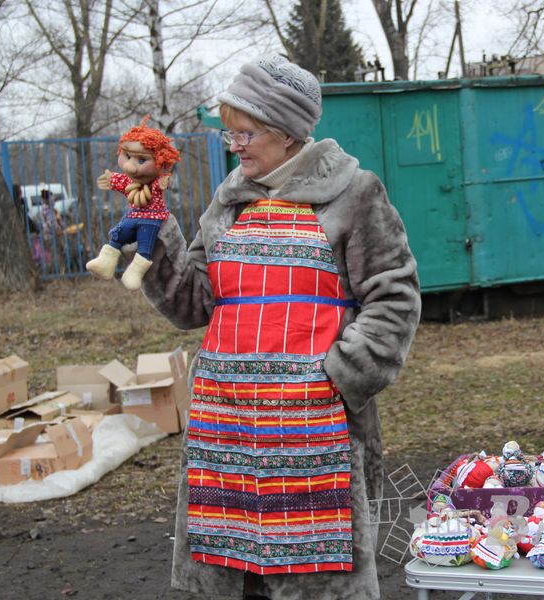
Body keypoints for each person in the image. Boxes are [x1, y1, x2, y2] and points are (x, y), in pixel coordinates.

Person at [130, 56, 421, 600]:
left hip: (315, 432)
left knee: (313, 578)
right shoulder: (230, 200)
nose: (234, 146)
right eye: (230, 133)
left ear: (287, 132)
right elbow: (194, 302)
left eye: (245, 133)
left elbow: (394, 298)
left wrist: (337, 376)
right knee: (238, 571)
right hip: (227, 430)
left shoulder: (354, 194)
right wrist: (154, 236)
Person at [86, 117, 181, 290]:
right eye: (128, 156)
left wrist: (164, 182)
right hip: (132, 216)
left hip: (151, 219)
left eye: (142, 160)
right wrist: (111, 179)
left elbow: (163, 183)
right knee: (119, 233)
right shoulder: (129, 182)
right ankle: (105, 262)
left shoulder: (156, 182)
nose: (130, 166)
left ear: (159, 161)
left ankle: (135, 272)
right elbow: (119, 181)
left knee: (145, 243)